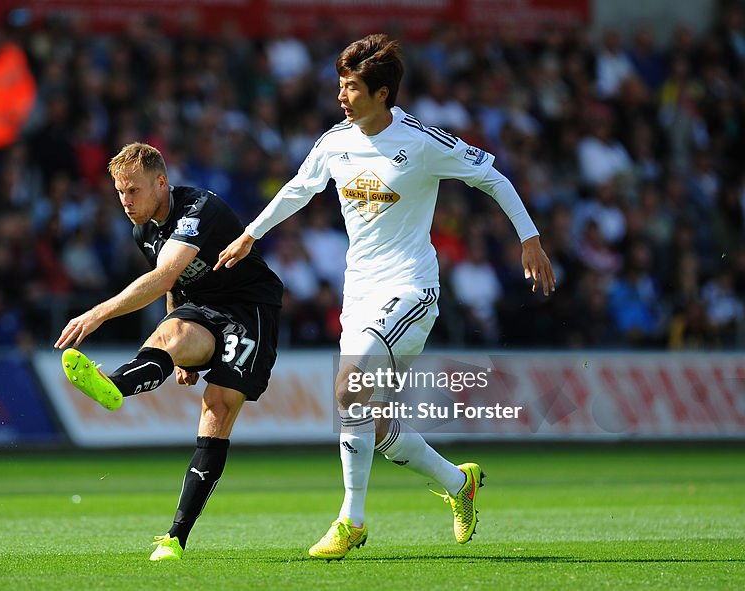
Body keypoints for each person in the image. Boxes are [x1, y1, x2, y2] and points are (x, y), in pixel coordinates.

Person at [216, 34, 556, 560]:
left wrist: (529, 240)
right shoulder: (335, 142)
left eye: (351, 87)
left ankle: (350, 520)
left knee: (349, 387)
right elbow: (297, 189)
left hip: (410, 290)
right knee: (370, 420)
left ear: (382, 92)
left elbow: (494, 179)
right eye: (340, 86)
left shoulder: (421, 141)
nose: (341, 96)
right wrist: (251, 234)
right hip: (360, 295)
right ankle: (456, 481)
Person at [53, 143, 283, 561]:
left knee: (217, 407)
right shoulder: (143, 228)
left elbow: (164, 276)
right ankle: (114, 385)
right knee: (168, 335)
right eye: (120, 192)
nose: (126, 201)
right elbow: (175, 289)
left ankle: (176, 536)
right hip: (202, 307)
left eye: (134, 191)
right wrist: (179, 350)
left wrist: (98, 313)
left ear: (162, 182)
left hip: (249, 310)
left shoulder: (198, 209)